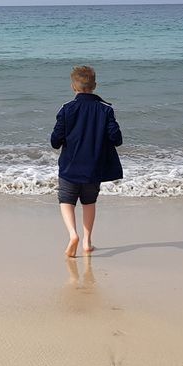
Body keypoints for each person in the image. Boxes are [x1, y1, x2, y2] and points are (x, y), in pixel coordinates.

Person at [50, 65, 123, 257]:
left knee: (66, 199)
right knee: (89, 201)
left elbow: (55, 141)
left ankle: (73, 235)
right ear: (95, 85)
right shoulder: (106, 109)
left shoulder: (67, 108)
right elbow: (117, 139)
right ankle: (87, 242)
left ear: (73, 86)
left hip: (70, 166)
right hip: (94, 166)